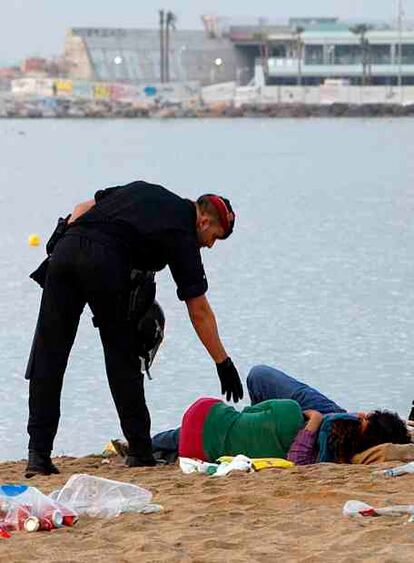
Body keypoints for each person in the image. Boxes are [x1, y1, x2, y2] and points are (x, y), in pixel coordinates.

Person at [24, 180, 243, 477]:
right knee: (121, 355)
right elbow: (199, 309)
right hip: (104, 263)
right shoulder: (182, 232)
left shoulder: (145, 190)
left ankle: (38, 455)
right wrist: (222, 362)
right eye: (214, 237)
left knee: (49, 353)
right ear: (203, 220)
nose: (210, 245)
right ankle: (140, 452)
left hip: (65, 251)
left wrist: (70, 248)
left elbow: (81, 209)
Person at [150, 365, 411, 465]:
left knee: (258, 376)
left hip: (306, 423)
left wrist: (308, 425)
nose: (362, 414)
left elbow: (298, 459)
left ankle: (146, 443)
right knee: (258, 376)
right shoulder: (347, 430)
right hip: (315, 421)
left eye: (365, 417)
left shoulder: (330, 452)